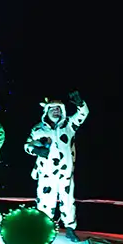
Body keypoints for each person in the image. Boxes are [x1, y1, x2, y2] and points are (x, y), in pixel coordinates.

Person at [24, 92, 89, 234]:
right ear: (46, 111)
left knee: (67, 200)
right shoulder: (38, 129)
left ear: (62, 110)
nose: (55, 111)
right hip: (46, 173)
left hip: (65, 173)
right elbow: (27, 145)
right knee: (45, 201)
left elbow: (83, 114)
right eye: (52, 109)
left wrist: (80, 104)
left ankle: (70, 228)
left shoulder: (69, 126)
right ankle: (43, 229)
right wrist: (36, 150)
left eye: (58, 109)